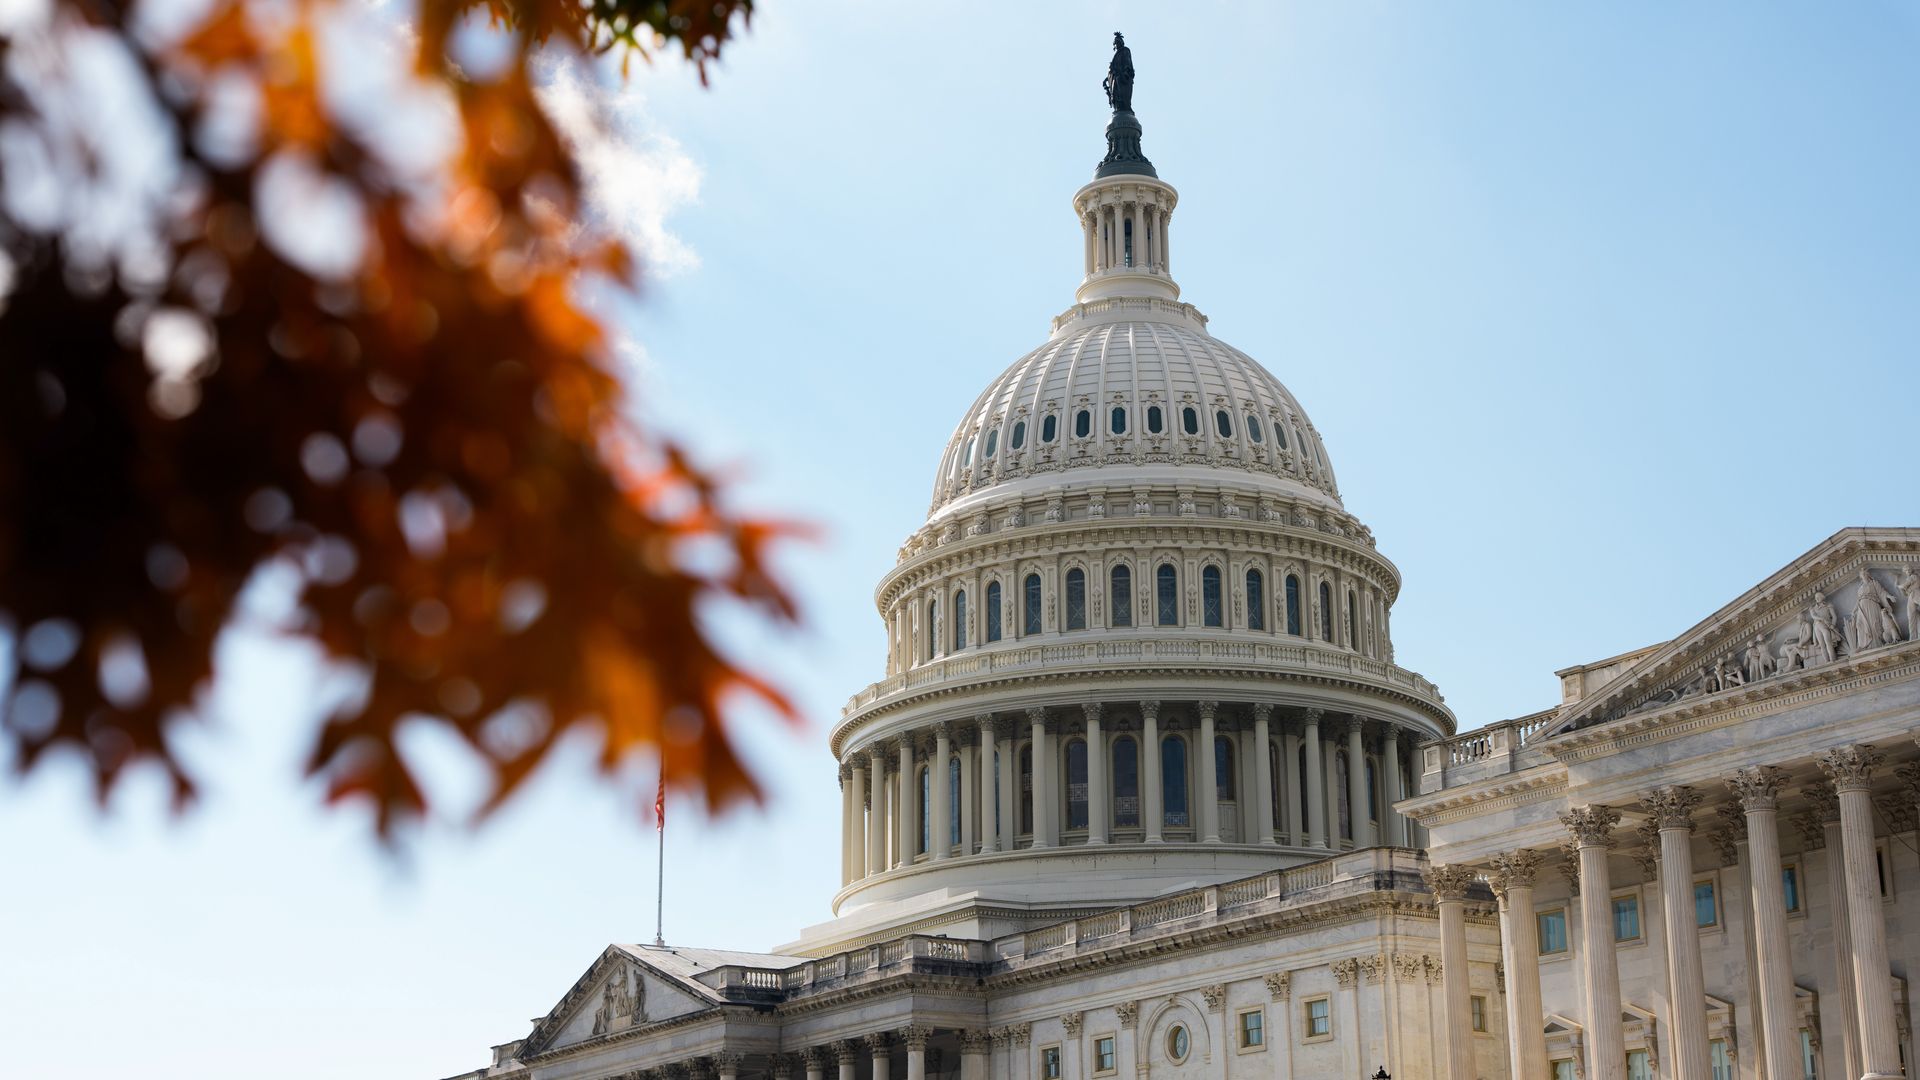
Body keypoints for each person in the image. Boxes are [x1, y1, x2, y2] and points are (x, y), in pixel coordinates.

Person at [1850, 569, 1901, 652]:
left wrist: (1889, 596)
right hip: (1861, 607)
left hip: (1872, 605)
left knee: (1873, 623)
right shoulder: (1860, 587)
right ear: (1860, 576)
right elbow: (1858, 600)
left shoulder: (1874, 583)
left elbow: (1881, 592)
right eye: (1862, 574)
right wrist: (1853, 611)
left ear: (1868, 575)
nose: (1864, 575)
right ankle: (1862, 644)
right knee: (1859, 624)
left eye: (1865, 573)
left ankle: (1876, 644)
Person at [1104, 32, 1135, 113]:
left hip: (1123, 78)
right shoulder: (1116, 55)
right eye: (1115, 43)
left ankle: (1126, 108)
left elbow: (1128, 62)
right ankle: (1118, 108)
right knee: (1115, 95)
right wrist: (1107, 78)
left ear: (1121, 42)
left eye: (1118, 42)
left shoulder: (1125, 50)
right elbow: (1113, 69)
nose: (1116, 44)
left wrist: (1125, 72)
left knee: (1123, 95)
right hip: (1115, 78)